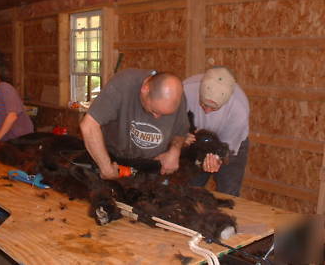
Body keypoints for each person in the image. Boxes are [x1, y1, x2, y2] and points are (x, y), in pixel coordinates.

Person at [80, 68, 189, 180]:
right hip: (117, 161)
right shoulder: (123, 84)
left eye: (165, 114)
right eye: (154, 111)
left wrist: (175, 151)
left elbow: (180, 131)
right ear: (145, 89)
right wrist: (106, 167)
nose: (157, 117)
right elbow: (89, 126)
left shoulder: (176, 96)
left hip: (153, 166)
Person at [183, 66, 249, 196]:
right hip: (197, 137)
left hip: (229, 141)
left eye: (214, 109)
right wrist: (180, 135)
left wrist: (217, 158)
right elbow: (170, 120)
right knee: (189, 187)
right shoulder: (184, 90)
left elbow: (226, 147)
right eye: (203, 104)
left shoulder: (239, 108)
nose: (207, 112)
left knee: (228, 190)